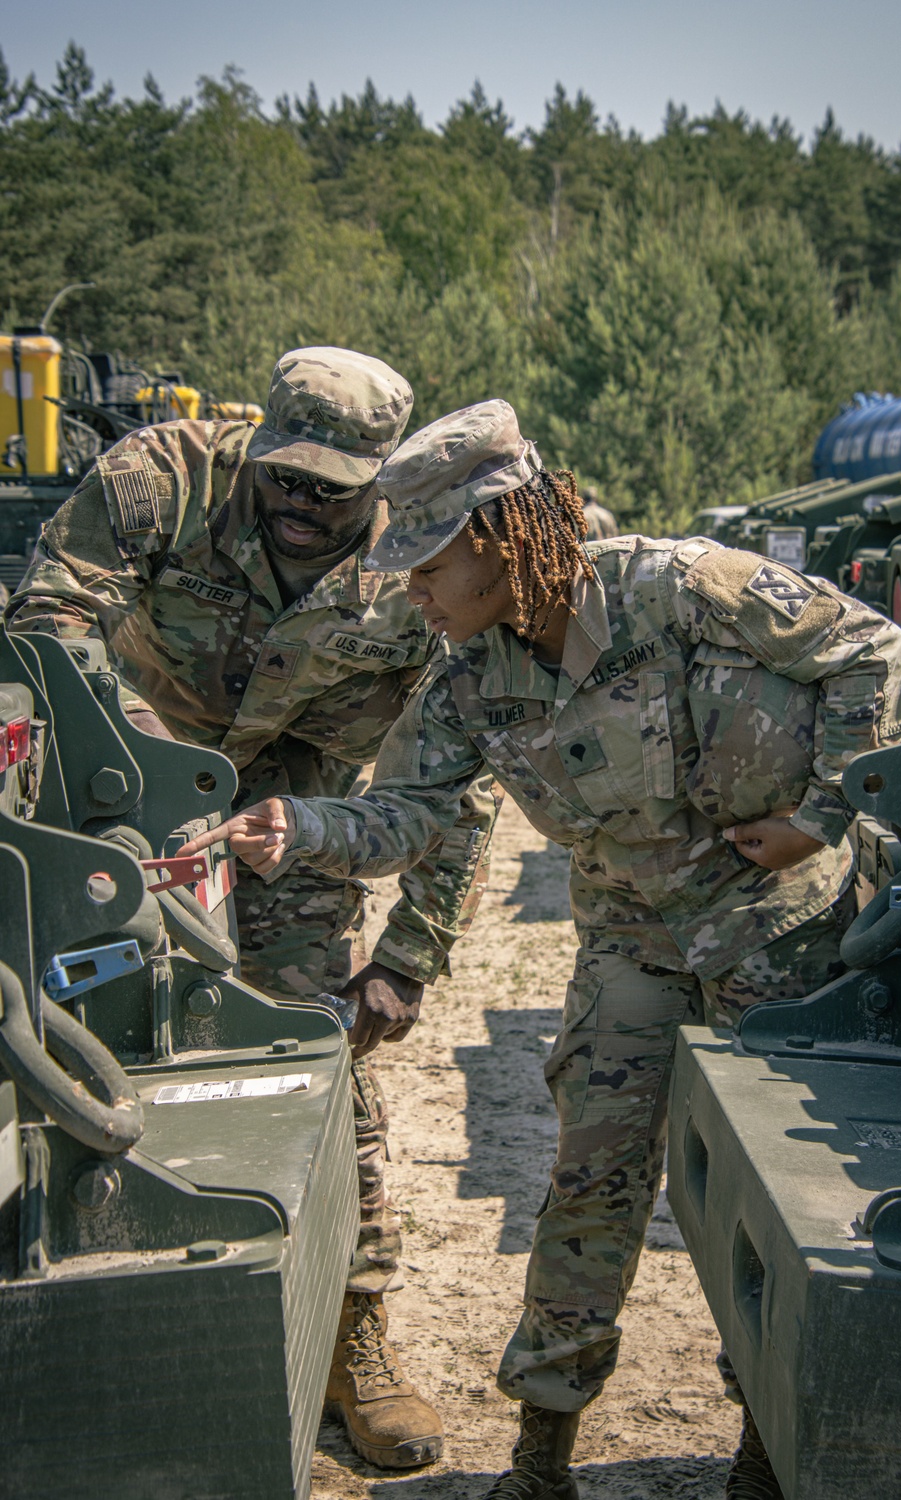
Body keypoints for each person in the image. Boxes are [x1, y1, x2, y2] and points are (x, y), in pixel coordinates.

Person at [182, 399, 901, 1499]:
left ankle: (766, 1451)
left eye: (425, 567)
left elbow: (870, 647)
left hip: (785, 935)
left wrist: (820, 814)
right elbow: (409, 813)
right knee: (588, 1186)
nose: (411, 595)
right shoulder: (469, 678)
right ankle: (542, 1458)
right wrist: (304, 830)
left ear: (491, 537)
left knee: (775, 1203)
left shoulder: (676, 587)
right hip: (634, 938)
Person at [4, 349, 503, 1473]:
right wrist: (146, 764)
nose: (299, 503)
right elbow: (46, 629)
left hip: (295, 822)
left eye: (331, 489)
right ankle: (76, 1317)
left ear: (379, 480)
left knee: (313, 1056)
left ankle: (355, 1336)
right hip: (120, 793)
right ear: (261, 444)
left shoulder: (419, 561)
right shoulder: (158, 480)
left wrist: (410, 958)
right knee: (66, 1045)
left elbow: (453, 777)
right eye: (286, 476)